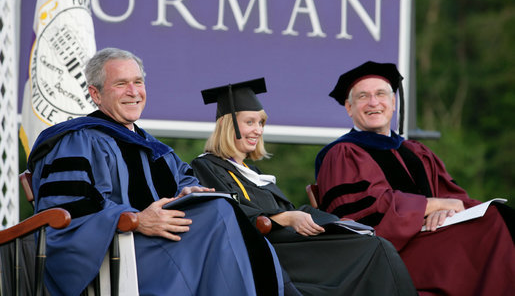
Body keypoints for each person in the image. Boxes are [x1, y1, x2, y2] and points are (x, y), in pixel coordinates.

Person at [27, 48, 284, 296]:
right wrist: (135, 220)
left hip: (168, 245)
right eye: (121, 84)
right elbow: (66, 208)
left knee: (217, 208)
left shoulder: (157, 149)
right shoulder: (77, 140)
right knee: (219, 216)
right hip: (116, 254)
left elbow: (186, 182)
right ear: (96, 94)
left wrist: (190, 192)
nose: (133, 92)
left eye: (138, 82)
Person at [190, 78, 418, 296]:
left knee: (372, 244)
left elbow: (291, 210)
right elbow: (229, 215)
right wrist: (287, 219)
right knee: (374, 249)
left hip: (290, 246)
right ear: (228, 125)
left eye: (260, 123)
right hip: (267, 253)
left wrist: (336, 223)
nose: (258, 130)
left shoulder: (254, 173)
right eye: (249, 122)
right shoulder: (207, 166)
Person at [315, 61, 515, 295]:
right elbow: (368, 212)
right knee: (493, 226)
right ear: (349, 107)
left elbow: (454, 197)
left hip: (434, 239)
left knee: (498, 215)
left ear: (392, 103)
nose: (373, 102)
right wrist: (435, 205)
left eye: (381, 94)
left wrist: (448, 211)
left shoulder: (416, 151)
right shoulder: (342, 154)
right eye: (363, 96)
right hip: (387, 253)